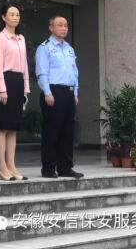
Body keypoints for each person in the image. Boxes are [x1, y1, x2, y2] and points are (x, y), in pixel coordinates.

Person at [35, 15, 84, 179]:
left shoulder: (69, 48)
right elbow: (42, 72)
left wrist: (75, 93)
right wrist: (47, 92)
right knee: (52, 132)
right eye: (60, 25)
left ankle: (65, 167)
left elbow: (75, 72)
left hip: (68, 93)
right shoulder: (45, 48)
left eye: (66, 25)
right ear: (51, 27)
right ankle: (48, 168)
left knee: (67, 132)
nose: (64, 28)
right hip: (53, 92)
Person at [0, 4, 30, 181]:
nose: (15, 17)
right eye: (11, 14)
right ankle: (2, 167)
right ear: (3, 17)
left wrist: (26, 89)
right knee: (3, 127)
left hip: (18, 83)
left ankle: (11, 165)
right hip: (5, 82)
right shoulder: (0, 38)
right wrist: (2, 89)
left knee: (13, 128)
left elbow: (25, 66)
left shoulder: (21, 38)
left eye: (17, 14)